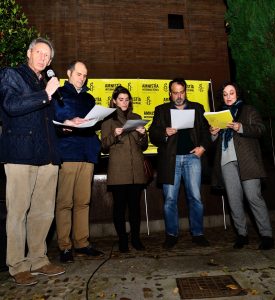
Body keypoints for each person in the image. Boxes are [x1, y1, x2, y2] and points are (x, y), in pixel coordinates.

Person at [0, 38, 65, 286]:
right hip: (20, 153)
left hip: (47, 154)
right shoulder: (11, 75)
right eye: (39, 52)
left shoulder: (44, 83)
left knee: (44, 210)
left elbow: (45, 118)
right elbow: (11, 105)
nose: (43, 59)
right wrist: (45, 94)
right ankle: (17, 265)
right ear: (29, 53)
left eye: (48, 56)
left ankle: (38, 259)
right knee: (18, 211)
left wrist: (66, 125)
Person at [210, 81, 274, 250]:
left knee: (254, 197)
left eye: (231, 93)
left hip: (248, 161)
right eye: (225, 94)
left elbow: (260, 129)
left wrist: (240, 127)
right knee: (234, 200)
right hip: (226, 162)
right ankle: (241, 235)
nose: (228, 97)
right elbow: (212, 143)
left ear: (237, 94)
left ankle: (266, 236)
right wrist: (213, 134)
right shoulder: (219, 114)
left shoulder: (249, 110)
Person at [149, 78, 211, 249]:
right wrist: (164, 132)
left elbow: (207, 131)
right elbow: (152, 134)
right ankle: (171, 235)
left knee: (196, 198)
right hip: (171, 160)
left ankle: (198, 233)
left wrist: (203, 147)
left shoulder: (197, 108)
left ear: (186, 91)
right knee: (169, 199)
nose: (178, 96)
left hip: (193, 158)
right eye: (175, 92)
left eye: (181, 92)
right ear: (170, 93)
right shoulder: (161, 110)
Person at [54, 61, 104, 263]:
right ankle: (65, 246)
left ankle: (82, 243)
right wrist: (71, 120)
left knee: (83, 202)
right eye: (78, 74)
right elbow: (56, 117)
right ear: (69, 73)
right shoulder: (58, 94)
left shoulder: (89, 98)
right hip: (68, 152)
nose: (82, 78)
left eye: (85, 75)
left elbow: (94, 121)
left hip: (88, 153)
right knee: (65, 202)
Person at [101, 86, 148, 253]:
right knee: (119, 208)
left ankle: (136, 239)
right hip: (118, 170)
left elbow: (144, 146)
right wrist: (115, 134)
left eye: (127, 99)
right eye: (121, 99)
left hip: (136, 169)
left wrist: (143, 134)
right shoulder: (108, 119)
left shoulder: (136, 117)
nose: (124, 102)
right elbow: (104, 145)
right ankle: (122, 240)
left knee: (135, 207)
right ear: (114, 101)